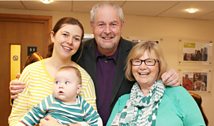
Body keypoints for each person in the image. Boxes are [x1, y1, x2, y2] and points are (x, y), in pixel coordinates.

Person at [9, 2, 180, 125]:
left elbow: (153, 74)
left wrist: (169, 75)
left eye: (113, 24)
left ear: (121, 25)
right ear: (92, 26)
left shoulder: (136, 55)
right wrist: (18, 88)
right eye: (101, 24)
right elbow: (51, 69)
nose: (107, 31)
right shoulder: (78, 51)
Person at [8, 17, 96, 126]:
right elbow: (17, 117)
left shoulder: (84, 79)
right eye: (65, 34)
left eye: (76, 38)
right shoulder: (30, 72)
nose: (70, 41)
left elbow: (93, 122)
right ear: (52, 36)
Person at [107, 41, 205, 126]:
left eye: (149, 61)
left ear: (159, 65)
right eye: (137, 61)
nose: (142, 67)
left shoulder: (178, 94)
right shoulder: (123, 101)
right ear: (131, 66)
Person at [17, 66, 102, 126]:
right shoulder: (51, 100)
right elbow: (35, 113)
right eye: (57, 82)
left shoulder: (83, 105)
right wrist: (22, 124)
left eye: (66, 82)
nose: (60, 86)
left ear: (78, 89)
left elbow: (96, 121)